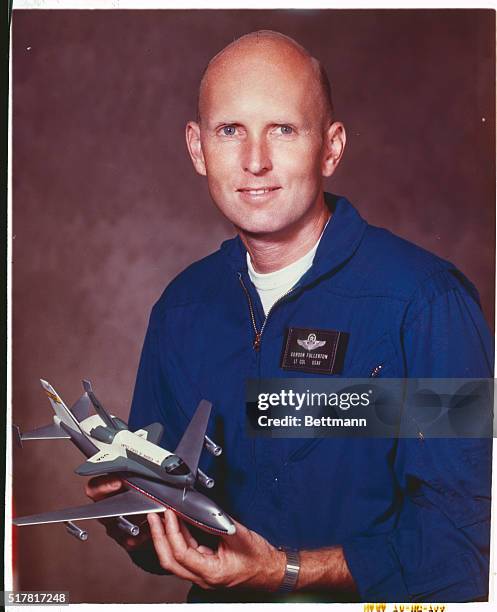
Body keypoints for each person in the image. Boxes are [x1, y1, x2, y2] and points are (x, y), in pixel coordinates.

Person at [86, 30, 492, 603]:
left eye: (283, 129)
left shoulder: (426, 305)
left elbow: (467, 548)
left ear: (331, 147)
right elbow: (173, 540)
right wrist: (136, 526)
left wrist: (286, 570)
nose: (255, 161)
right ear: (198, 147)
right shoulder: (183, 309)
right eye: (231, 131)